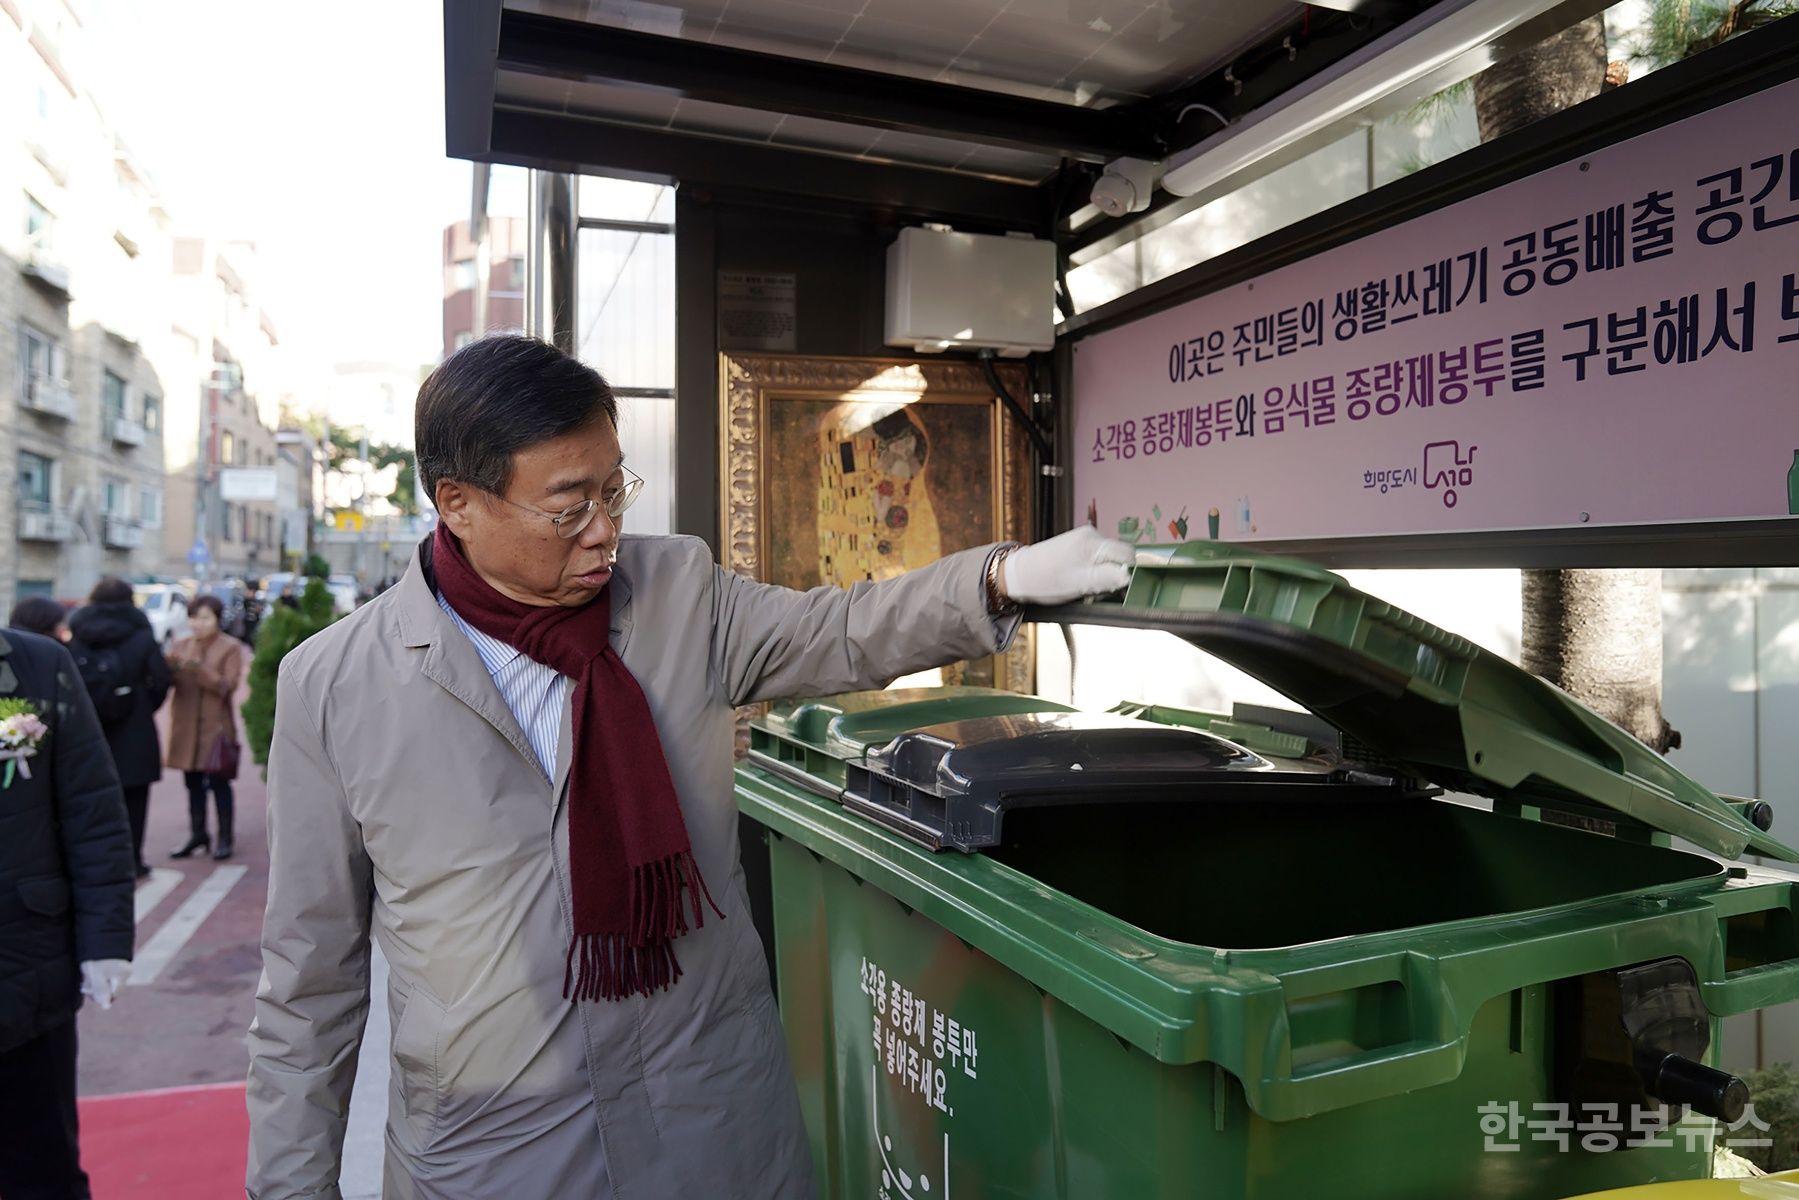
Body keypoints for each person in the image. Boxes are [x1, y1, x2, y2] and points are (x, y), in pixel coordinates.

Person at [246, 335, 1134, 1198]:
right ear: (458, 503)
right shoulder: (336, 686)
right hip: (495, 1152)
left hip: (709, 1121)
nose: (603, 531)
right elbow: (309, 977)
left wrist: (999, 579)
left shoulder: (674, 594)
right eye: (568, 507)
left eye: (613, 489)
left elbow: (839, 629)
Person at [0, 626, 134, 1199]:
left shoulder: (37, 666)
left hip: (23, 970)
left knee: (42, 1168)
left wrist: (105, 941)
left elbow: (93, 811)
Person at [67, 578, 173, 880]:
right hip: (135, 730)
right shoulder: (141, 633)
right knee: (135, 801)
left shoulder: (79, 632)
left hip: (90, 729)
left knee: (92, 799)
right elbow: (161, 679)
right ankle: (133, 860)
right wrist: (142, 705)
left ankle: (97, 862)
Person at [164, 595, 245, 861]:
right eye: (194, 617)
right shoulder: (180, 644)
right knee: (192, 783)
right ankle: (198, 833)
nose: (198, 623)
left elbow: (227, 686)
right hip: (186, 726)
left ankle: (225, 837)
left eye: (205, 618)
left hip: (216, 729)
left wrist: (199, 669)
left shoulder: (230, 647)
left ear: (217, 620)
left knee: (219, 783)